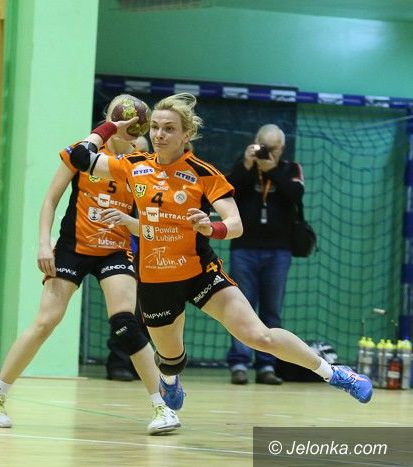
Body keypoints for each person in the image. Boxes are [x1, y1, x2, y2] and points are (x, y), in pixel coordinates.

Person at [67, 92, 373, 411]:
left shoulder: (203, 173)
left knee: (259, 336)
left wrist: (211, 227)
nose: (159, 134)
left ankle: (335, 374)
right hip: (156, 280)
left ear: (186, 134)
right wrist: (110, 127)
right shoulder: (132, 165)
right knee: (171, 360)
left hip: (201, 273)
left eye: (169, 129)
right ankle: (170, 379)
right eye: (155, 127)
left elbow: (235, 224)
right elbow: (80, 157)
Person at [0, 95, 181, 435]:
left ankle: (163, 407)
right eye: (123, 121)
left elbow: (150, 221)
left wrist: (131, 223)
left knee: (126, 324)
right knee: (46, 321)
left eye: (137, 123)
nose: (131, 127)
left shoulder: (141, 162)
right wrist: (43, 243)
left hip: (115, 250)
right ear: (110, 120)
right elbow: (50, 199)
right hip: (73, 248)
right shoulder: (82, 152)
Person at [225, 124, 303, 386]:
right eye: (264, 146)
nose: (268, 152)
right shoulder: (244, 165)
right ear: (255, 142)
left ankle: (267, 365)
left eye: (274, 148)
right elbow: (227, 191)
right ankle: (239, 363)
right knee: (240, 308)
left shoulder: (291, 169)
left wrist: (272, 170)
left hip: (279, 251)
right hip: (243, 248)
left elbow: (296, 195)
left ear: (282, 147)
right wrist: (247, 165)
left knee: (271, 311)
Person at [106, 140, 150, 382]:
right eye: (134, 148)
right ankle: (119, 362)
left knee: (149, 310)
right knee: (125, 312)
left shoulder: (153, 179)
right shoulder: (114, 174)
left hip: (152, 251)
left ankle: (141, 366)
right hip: (124, 249)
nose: (137, 153)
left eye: (142, 150)